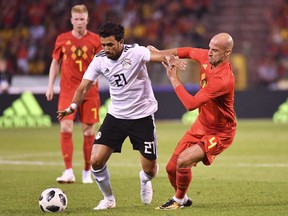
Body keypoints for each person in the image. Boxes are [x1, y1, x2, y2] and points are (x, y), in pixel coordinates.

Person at [57, 22, 185, 210]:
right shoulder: (99, 60)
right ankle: (109, 199)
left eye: (110, 45)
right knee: (96, 161)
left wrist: (169, 59)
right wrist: (73, 106)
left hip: (142, 116)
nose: (106, 49)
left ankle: (144, 179)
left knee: (150, 169)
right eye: (103, 45)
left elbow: (159, 55)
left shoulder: (136, 52)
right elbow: (84, 86)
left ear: (121, 42)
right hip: (116, 116)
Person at [155, 33, 237, 210]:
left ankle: (177, 201)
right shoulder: (206, 57)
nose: (209, 53)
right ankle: (183, 199)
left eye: (215, 50)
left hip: (221, 132)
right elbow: (186, 51)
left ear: (227, 52)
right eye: (209, 48)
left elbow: (191, 104)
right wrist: (160, 54)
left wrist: (173, 78)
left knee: (183, 161)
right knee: (171, 169)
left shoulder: (223, 80)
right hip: (202, 124)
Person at [46, 4, 102, 184]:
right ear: (71, 20)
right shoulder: (62, 39)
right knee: (66, 127)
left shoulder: (95, 40)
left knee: (88, 130)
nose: (79, 22)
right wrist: (50, 86)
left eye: (82, 19)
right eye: (76, 19)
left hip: (89, 90)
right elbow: (55, 63)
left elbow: (103, 63)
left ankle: (87, 171)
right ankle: (68, 170)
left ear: (87, 20)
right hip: (68, 90)